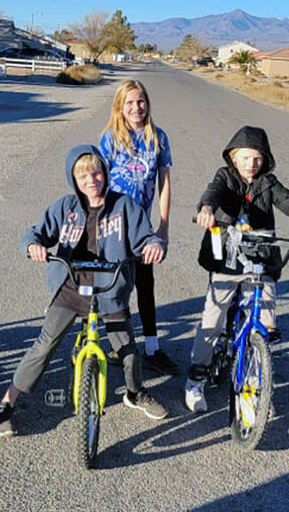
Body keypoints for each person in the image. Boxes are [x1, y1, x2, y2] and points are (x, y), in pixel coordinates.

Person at [0, 145, 167, 437]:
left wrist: (154, 244)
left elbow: (146, 236)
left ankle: (135, 392)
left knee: (127, 349)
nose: (91, 180)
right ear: (74, 178)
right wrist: (33, 246)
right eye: (82, 175)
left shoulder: (125, 206)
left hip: (110, 286)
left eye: (96, 172)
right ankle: (6, 403)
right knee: (45, 344)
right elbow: (34, 233)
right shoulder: (65, 207)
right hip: (72, 283)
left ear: (105, 173)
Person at [186, 125, 289, 413]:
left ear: (265, 159)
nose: (251, 164)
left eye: (257, 159)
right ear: (233, 156)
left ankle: (254, 382)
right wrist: (206, 209)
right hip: (227, 257)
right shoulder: (225, 177)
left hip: (261, 258)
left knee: (266, 321)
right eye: (245, 158)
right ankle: (196, 379)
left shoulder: (269, 183)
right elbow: (213, 193)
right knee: (213, 320)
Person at [97, 79, 176, 374]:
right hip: (114, 223)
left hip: (142, 227)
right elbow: (98, 182)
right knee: (118, 286)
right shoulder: (110, 138)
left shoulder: (158, 138)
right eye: (129, 102)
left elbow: (164, 184)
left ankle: (152, 347)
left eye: (140, 101)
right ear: (120, 106)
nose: (136, 108)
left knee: (145, 284)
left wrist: (164, 225)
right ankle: (121, 346)